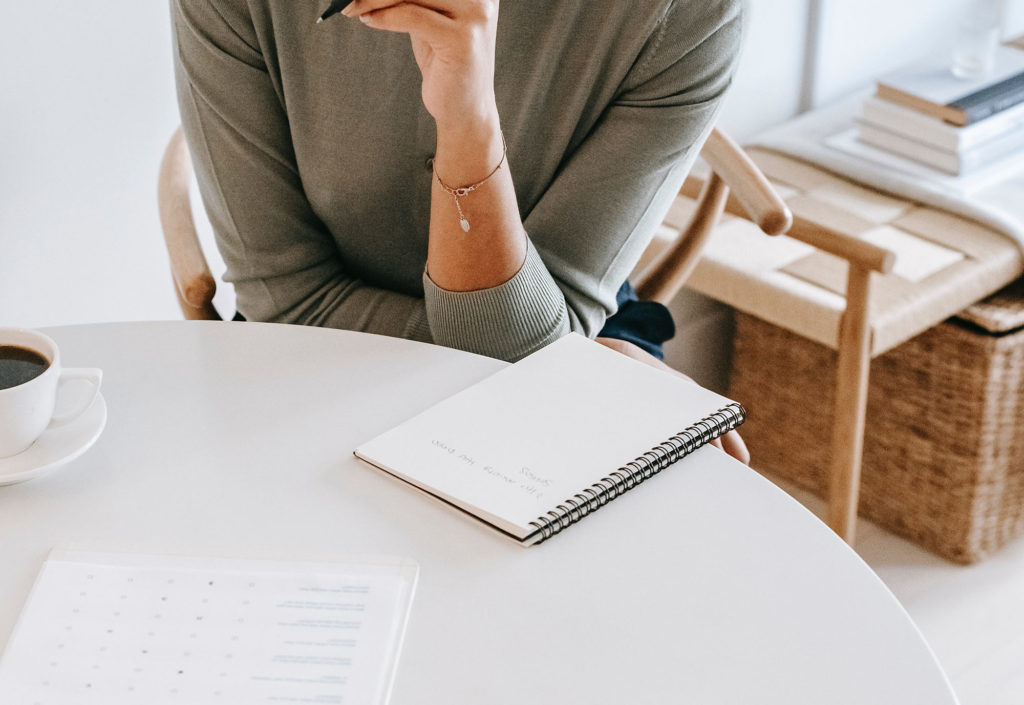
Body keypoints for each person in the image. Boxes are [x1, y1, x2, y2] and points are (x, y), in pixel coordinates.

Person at [171, 0, 748, 462]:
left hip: (565, 321)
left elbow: (545, 330)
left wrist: (468, 116)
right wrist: (566, 358)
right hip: (317, 345)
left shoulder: (690, 11)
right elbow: (288, 298)